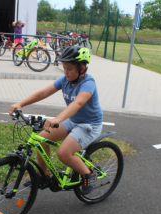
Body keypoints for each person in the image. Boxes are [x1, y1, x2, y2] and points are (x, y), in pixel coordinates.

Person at [9, 46, 103, 195]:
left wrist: (58, 119)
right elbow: (44, 92)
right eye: (64, 68)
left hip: (89, 125)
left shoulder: (88, 83)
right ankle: (43, 175)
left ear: (82, 68)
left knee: (64, 153)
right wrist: (21, 103)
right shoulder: (65, 80)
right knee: (41, 138)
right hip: (73, 120)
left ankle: (88, 173)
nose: (66, 72)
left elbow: (78, 103)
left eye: (70, 68)